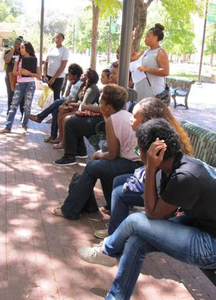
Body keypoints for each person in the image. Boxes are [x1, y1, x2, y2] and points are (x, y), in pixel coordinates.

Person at [78, 118, 216, 300]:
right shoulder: (175, 164)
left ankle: (107, 251)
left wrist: (150, 168)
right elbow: (162, 213)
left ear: (151, 152)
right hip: (200, 224)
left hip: (210, 244)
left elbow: (152, 213)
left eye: (138, 149)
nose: (138, 153)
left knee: (135, 221)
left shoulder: (185, 176)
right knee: (137, 241)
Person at [94, 97, 193, 239]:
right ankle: (117, 222)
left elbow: (157, 176)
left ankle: (115, 236)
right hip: (155, 180)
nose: (130, 119)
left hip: (164, 192)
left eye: (134, 117)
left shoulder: (158, 142)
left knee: (118, 193)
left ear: (148, 120)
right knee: (118, 180)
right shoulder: (152, 135)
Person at [52, 84, 142, 220]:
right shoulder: (124, 115)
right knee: (102, 166)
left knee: (92, 167)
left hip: (133, 164)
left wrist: (98, 154)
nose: (99, 105)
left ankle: (69, 210)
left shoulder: (112, 119)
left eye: (101, 102)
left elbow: (112, 154)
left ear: (107, 107)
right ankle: (111, 206)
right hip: (135, 162)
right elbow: (114, 153)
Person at [27, 63, 83, 142]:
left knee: (57, 101)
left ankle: (39, 117)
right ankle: (53, 136)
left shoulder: (78, 84)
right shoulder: (75, 83)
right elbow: (68, 96)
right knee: (56, 110)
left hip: (72, 104)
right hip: (69, 101)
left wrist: (65, 100)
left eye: (70, 75)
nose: (68, 78)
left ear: (75, 76)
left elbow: (73, 98)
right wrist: (69, 85)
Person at [0, 41, 41, 134]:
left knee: (27, 106)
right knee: (13, 105)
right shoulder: (18, 58)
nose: (20, 50)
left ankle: (24, 126)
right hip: (19, 84)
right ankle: (7, 127)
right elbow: (14, 72)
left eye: (22, 48)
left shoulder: (34, 59)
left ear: (28, 49)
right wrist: (21, 72)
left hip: (30, 85)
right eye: (20, 48)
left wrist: (29, 73)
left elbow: (38, 75)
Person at [54, 68, 100, 148]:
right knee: (60, 111)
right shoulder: (83, 85)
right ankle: (61, 138)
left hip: (88, 112)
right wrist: (68, 103)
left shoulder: (91, 88)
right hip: (81, 108)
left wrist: (72, 105)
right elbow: (76, 98)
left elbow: (84, 105)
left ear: (88, 77)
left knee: (65, 117)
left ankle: (65, 142)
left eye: (84, 75)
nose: (81, 75)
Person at [131, 23, 169, 101]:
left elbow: (165, 72)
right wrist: (131, 39)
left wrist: (147, 69)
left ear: (155, 38)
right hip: (140, 90)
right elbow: (132, 57)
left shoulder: (160, 52)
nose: (145, 39)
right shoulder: (146, 51)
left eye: (148, 36)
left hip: (153, 92)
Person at [42, 32, 69, 101]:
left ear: (62, 39)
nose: (58, 39)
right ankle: (45, 111)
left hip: (58, 77)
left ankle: (55, 112)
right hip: (48, 76)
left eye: (60, 38)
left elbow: (63, 66)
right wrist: (45, 75)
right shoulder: (51, 49)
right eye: (56, 37)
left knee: (56, 97)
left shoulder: (64, 50)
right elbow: (46, 62)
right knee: (46, 97)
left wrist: (54, 78)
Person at [3, 36, 24, 115]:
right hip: (10, 77)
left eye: (19, 44)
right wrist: (12, 50)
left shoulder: (23, 53)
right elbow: (6, 59)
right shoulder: (9, 51)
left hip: (20, 77)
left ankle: (22, 113)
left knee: (22, 95)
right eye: (16, 43)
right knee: (10, 95)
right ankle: (10, 112)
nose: (17, 45)